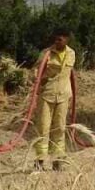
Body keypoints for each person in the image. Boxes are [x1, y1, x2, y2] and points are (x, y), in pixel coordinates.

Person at [34, 28, 75, 171]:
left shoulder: (71, 54)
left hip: (63, 95)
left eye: (61, 39)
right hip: (47, 95)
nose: (58, 41)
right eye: (56, 39)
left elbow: (70, 73)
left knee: (60, 128)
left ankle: (57, 160)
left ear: (67, 39)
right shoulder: (46, 54)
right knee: (43, 128)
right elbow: (35, 72)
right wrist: (40, 79)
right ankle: (40, 160)